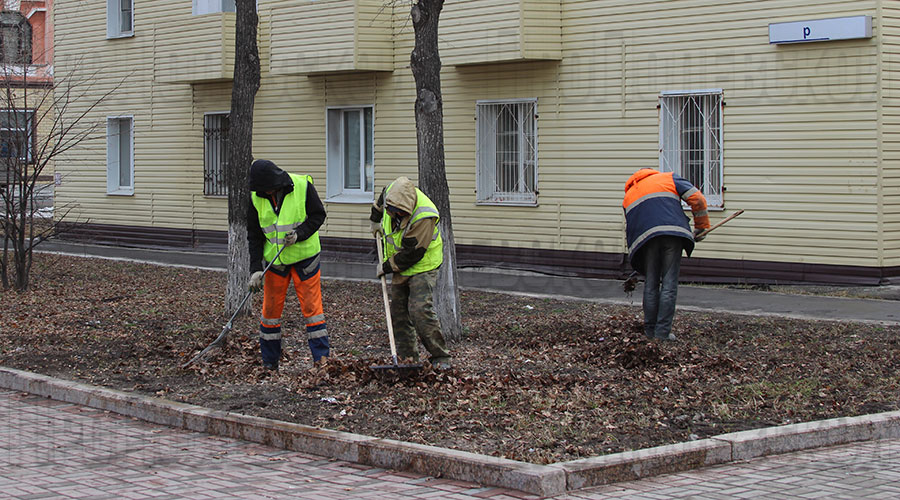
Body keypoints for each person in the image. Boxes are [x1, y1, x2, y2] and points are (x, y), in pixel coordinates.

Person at [247, 159, 330, 370]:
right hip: (275, 263)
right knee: (270, 313)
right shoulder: (257, 197)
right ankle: (269, 363)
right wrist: (255, 269)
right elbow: (254, 235)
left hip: (305, 259)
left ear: (275, 182)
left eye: (267, 189)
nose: (265, 193)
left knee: (313, 311)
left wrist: (299, 234)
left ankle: (321, 362)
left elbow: (318, 215)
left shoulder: (302, 186)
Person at [369, 176, 451, 370]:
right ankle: (408, 360)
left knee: (419, 310)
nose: (390, 214)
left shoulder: (424, 216)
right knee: (398, 313)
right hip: (400, 263)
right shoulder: (390, 193)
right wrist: (374, 220)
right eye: (390, 210)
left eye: (395, 212)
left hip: (422, 264)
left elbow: (412, 255)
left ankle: (441, 357)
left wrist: (386, 267)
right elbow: (379, 204)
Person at [623, 168, 710, 341]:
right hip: (673, 235)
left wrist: (637, 260)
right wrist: (701, 228)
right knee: (669, 284)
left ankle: (649, 331)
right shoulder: (668, 178)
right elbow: (697, 199)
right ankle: (662, 334)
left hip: (646, 240)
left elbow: (632, 227)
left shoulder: (629, 195)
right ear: (652, 173)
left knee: (651, 284)